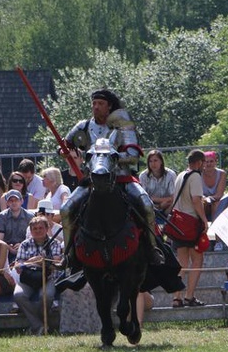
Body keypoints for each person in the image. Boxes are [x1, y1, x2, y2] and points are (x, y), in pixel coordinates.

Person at [60, 88, 164, 269]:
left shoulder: (122, 125)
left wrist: (109, 159)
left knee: (146, 205)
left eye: (100, 104)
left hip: (121, 179)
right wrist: (63, 151)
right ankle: (68, 256)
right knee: (66, 209)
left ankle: (152, 249)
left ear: (109, 106)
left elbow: (132, 155)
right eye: (94, 103)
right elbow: (65, 145)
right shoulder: (83, 126)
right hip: (91, 182)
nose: (96, 107)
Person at [170, 150, 208, 308]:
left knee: (182, 263)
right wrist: (205, 220)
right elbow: (196, 200)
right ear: (199, 162)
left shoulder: (180, 175)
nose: (204, 166)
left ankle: (176, 298)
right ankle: (189, 296)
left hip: (177, 223)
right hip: (190, 223)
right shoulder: (196, 176)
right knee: (197, 260)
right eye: (204, 163)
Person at [13, 216, 63, 335]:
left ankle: (37, 327)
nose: (38, 230)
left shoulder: (55, 243)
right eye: (34, 228)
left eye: (41, 228)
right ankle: (39, 325)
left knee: (47, 296)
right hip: (28, 279)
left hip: (48, 278)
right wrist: (37, 260)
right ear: (30, 230)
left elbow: (55, 263)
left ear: (47, 229)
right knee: (18, 295)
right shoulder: (25, 244)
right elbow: (18, 266)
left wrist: (37, 261)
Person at [0, 189, 33, 263]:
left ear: (21, 201)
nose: (14, 202)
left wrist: (22, 245)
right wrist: (8, 247)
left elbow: (33, 237)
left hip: (26, 249)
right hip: (6, 250)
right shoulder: (2, 216)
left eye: (16, 200)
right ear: (7, 203)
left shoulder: (30, 216)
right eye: (11, 200)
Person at [138, 149, 176, 214]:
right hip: (150, 207)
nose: (153, 164)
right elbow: (143, 198)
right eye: (150, 161)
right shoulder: (143, 176)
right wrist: (159, 206)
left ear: (161, 161)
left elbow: (173, 197)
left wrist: (155, 199)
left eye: (155, 160)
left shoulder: (170, 175)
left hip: (167, 206)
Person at [201, 150, 227, 221]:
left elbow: (219, 194)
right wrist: (204, 200)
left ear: (216, 162)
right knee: (201, 204)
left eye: (211, 161)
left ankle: (214, 228)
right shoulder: (198, 174)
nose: (209, 164)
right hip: (203, 201)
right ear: (203, 163)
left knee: (216, 204)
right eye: (206, 162)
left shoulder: (222, 174)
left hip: (217, 200)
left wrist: (208, 199)